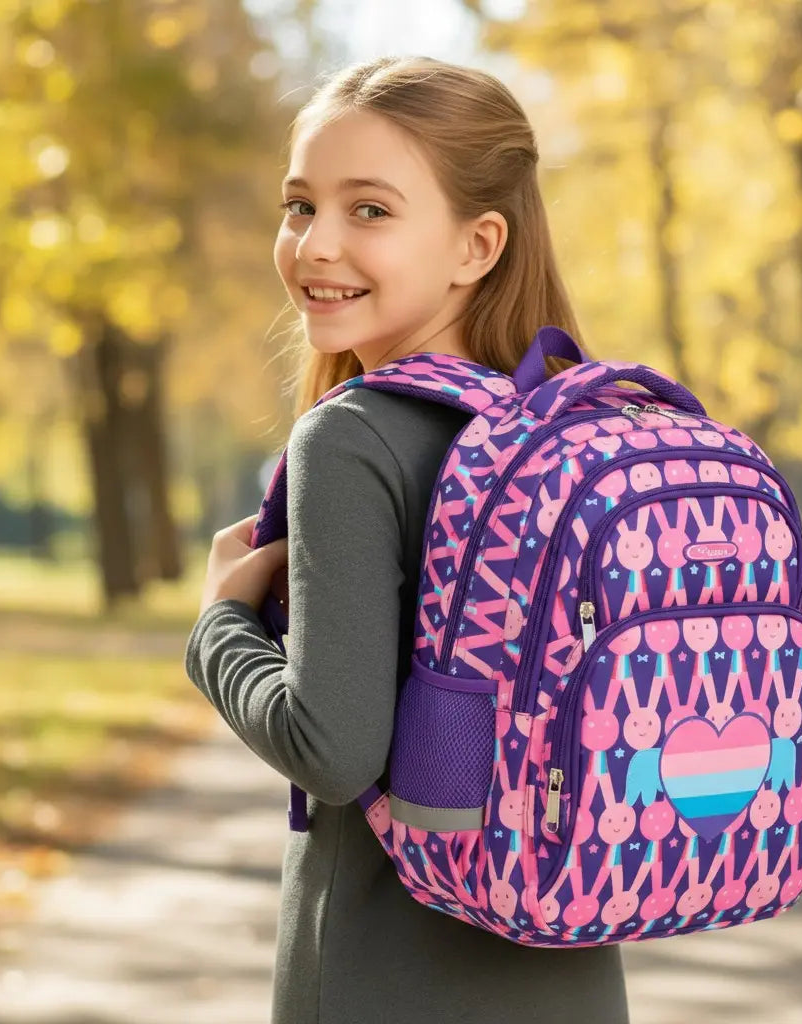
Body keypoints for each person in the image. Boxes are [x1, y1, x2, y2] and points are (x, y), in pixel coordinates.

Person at [184, 55, 631, 1024]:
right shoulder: (572, 428)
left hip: (384, 979)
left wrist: (220, 622)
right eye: (299, 205)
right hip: (571, 969)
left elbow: (333, 750)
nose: (315, 243)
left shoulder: (352, 439)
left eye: (370, 210)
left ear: (477, 244)